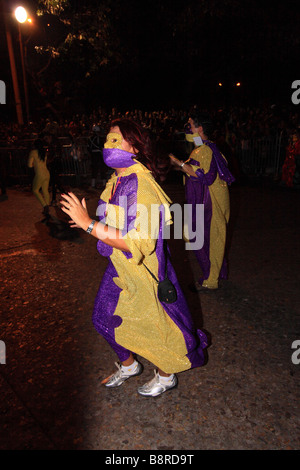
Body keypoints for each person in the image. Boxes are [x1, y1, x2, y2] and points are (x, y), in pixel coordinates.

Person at [60, 118, 208, 397]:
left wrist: (88, 224)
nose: (107, 145)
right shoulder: (118, 179)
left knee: (159, 331)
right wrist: (86, 221)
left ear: (136, 148)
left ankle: (166, 376)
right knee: (103, 319)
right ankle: (129, 366)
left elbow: (139, 242)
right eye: (106, 139)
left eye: (116, 140)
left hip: (143, 273)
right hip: (119, 269)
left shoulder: (142, 186)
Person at [170, 112, 235, 291]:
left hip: (210, 201)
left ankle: (211, 277)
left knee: (201, 236)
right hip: (211, 198)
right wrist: (177, 164)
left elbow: (201, 174)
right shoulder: (207, 147)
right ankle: (216, 272)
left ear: (199, 128)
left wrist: (177, 162)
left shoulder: (204, 150)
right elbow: (195, 166)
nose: (187, 127)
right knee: (211, 236)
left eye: (190, 124)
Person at [27, 138, 50, 216]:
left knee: (35, 190)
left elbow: (29, 165)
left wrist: (34, 164)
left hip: (39, 174)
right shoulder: (44, 152)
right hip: (47, 173)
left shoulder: (33, 152)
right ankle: (47, 206)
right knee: (45, 190)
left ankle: (45, 205)